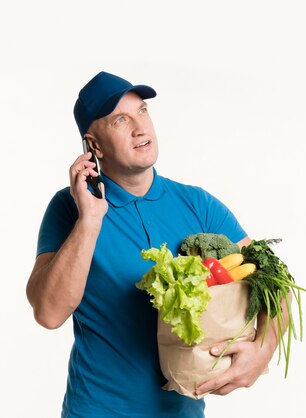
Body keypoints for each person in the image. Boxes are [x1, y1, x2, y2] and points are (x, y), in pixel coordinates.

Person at [26, 71, 284, 418]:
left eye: (143, 111)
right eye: (120, 120)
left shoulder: (198, 205)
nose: (139, 127)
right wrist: (89, 220)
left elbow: (273, 282)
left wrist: (263, 349)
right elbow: (48, 313)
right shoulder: (69, 209)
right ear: (94, 146)